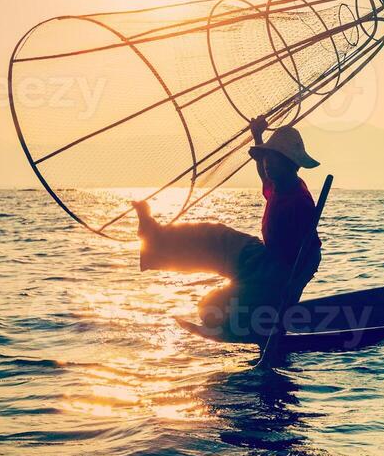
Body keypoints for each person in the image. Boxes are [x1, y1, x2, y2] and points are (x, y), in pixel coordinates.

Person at [132, 116, 323, 338]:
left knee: (210, 308)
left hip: (283, 268)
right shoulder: (277, 183)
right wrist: (257, 135)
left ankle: (256, 318)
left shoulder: (298, 201)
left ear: (290, 164)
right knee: (215, 236)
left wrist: (285, 295)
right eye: (266, 158)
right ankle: (155, 239)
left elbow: (304, 259)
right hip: (265, 255)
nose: (267, 165)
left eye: (273, 160)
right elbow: (263, 173)